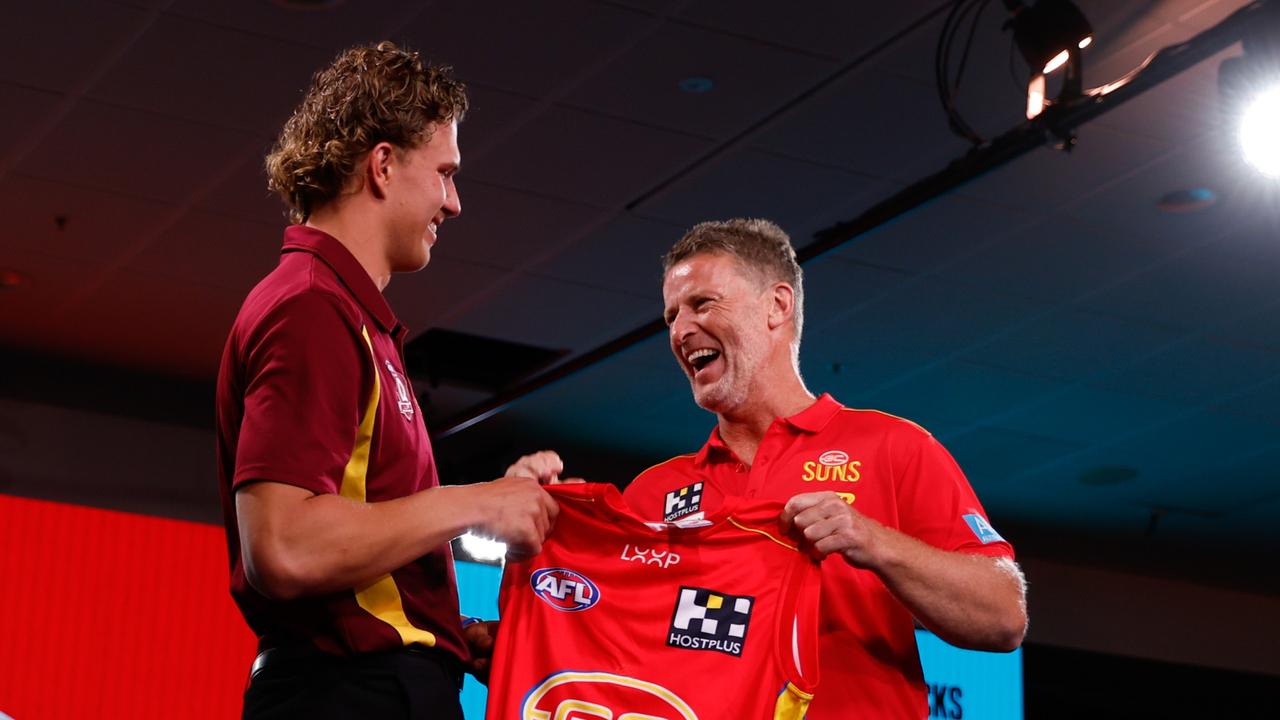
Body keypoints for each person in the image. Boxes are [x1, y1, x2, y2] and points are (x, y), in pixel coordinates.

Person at [215, 41, 558, 719]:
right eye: (445, 173)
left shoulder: (345, 314)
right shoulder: (311, 308)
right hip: (347, 696)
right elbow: (283, 548)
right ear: (382, 165)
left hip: (373, 687)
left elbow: (346, 560)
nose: (454, 203)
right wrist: (478, 504)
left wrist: (439, 636)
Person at [620, 218, 1028, 718]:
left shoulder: (891, 447)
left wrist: (870, 540)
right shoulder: (652, 492)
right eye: (671, 317)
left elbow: (1003, 616)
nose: (681, 330)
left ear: (777, 305)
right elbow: (609, 641)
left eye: (703, 304)